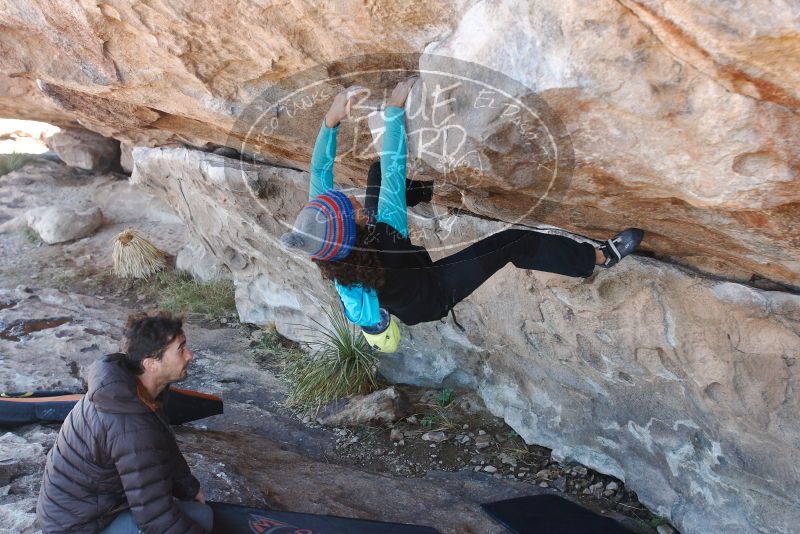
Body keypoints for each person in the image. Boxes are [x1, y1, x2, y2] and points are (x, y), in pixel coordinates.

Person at [280, 77, 644, 351]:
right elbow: (394, 165)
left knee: (373, 176)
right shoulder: (385, 231)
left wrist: (331, 120)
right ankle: (598, 257)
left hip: (385, 275)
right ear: (360, 226)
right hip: (431, 294)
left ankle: (428, 191)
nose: (353, 200)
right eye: (354, 207)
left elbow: (320, 173)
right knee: (512, 243)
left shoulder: (322, 236)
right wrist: (394, 111)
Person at [36, 311, 213, 534]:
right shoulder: (129, 422)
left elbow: (161, 444)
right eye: (180, 349)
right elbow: (155, 520)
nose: (190, 355)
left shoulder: (129, 389)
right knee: (200, 519)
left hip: (87, 508)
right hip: (79, 527)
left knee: (198, 512)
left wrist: (188, 487)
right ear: (151, 364)